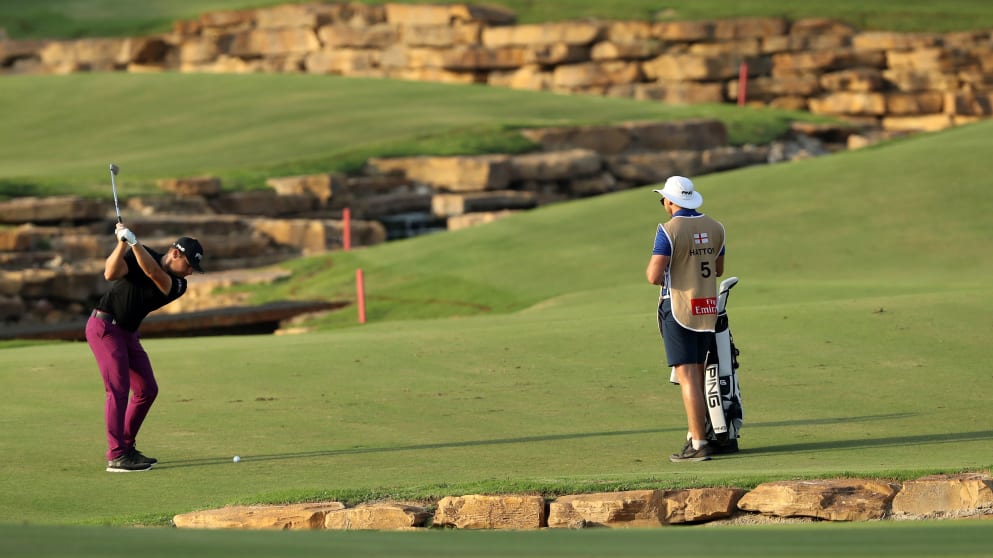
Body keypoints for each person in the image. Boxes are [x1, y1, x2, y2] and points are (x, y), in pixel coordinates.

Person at [86, 223, 204, 472]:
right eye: (190, 265)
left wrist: (133, 242)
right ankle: (117, 454)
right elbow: (110, 273)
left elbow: (152, 272)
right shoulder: (138, 250)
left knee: (147, 389)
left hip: (127, 333)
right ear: (175, 254)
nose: (191, 272)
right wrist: (121, 243)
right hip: (105, 327)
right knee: (118, 389)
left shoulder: (178, 285)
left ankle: (126, 447)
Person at [645, 176, 726, 463]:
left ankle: (699, 443)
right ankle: (699, 433)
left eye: (663, 199)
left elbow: (654, 276)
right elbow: (718, 268)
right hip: (706, 308)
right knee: (700, 373)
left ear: (670, 201)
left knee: (688, 375)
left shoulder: (668, 230)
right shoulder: (716, 227)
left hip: (678, 308)